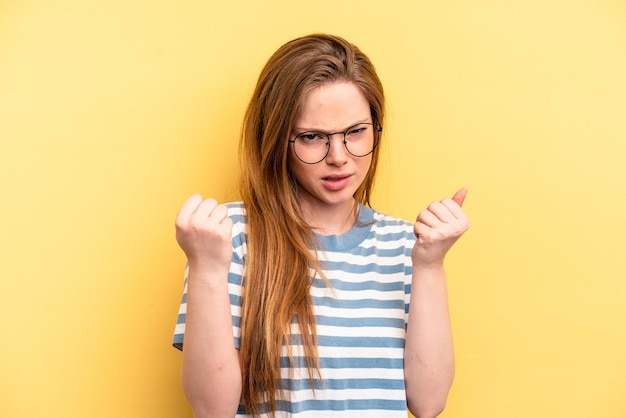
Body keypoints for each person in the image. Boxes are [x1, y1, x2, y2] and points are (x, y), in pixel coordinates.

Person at [172, 33, 470, 418]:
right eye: (313, 137)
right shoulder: (228, 237)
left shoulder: (407, 246)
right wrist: (207, 270)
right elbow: (212, 410)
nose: (339, 158)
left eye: (356, 132)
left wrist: (430, 266)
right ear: (277, 139)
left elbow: (428, 403)